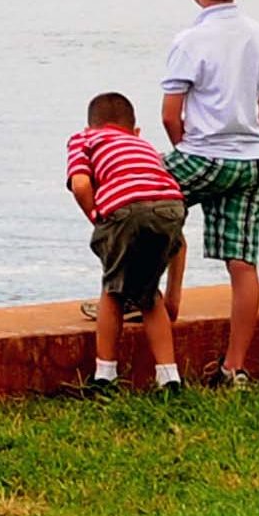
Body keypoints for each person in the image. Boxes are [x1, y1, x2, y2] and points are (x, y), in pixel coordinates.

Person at [159, 0, 259, 383]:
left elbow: (171, 115)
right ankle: (234, 367)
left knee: (136, 195)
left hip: (203, 153)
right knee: (243, 263)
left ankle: (146, 297)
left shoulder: (189, 40)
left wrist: (184, 150)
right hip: (251, 160)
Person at [65, 90, 187, 392]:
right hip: (172, 207)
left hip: (126, 209)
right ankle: (169, 378)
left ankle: (105, 376)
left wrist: (97, 217)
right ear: (135, 130)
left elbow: (80, 185)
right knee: (149, 294)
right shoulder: (144, 146)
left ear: (90, 126)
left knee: (113, 289)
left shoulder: (84, 139)